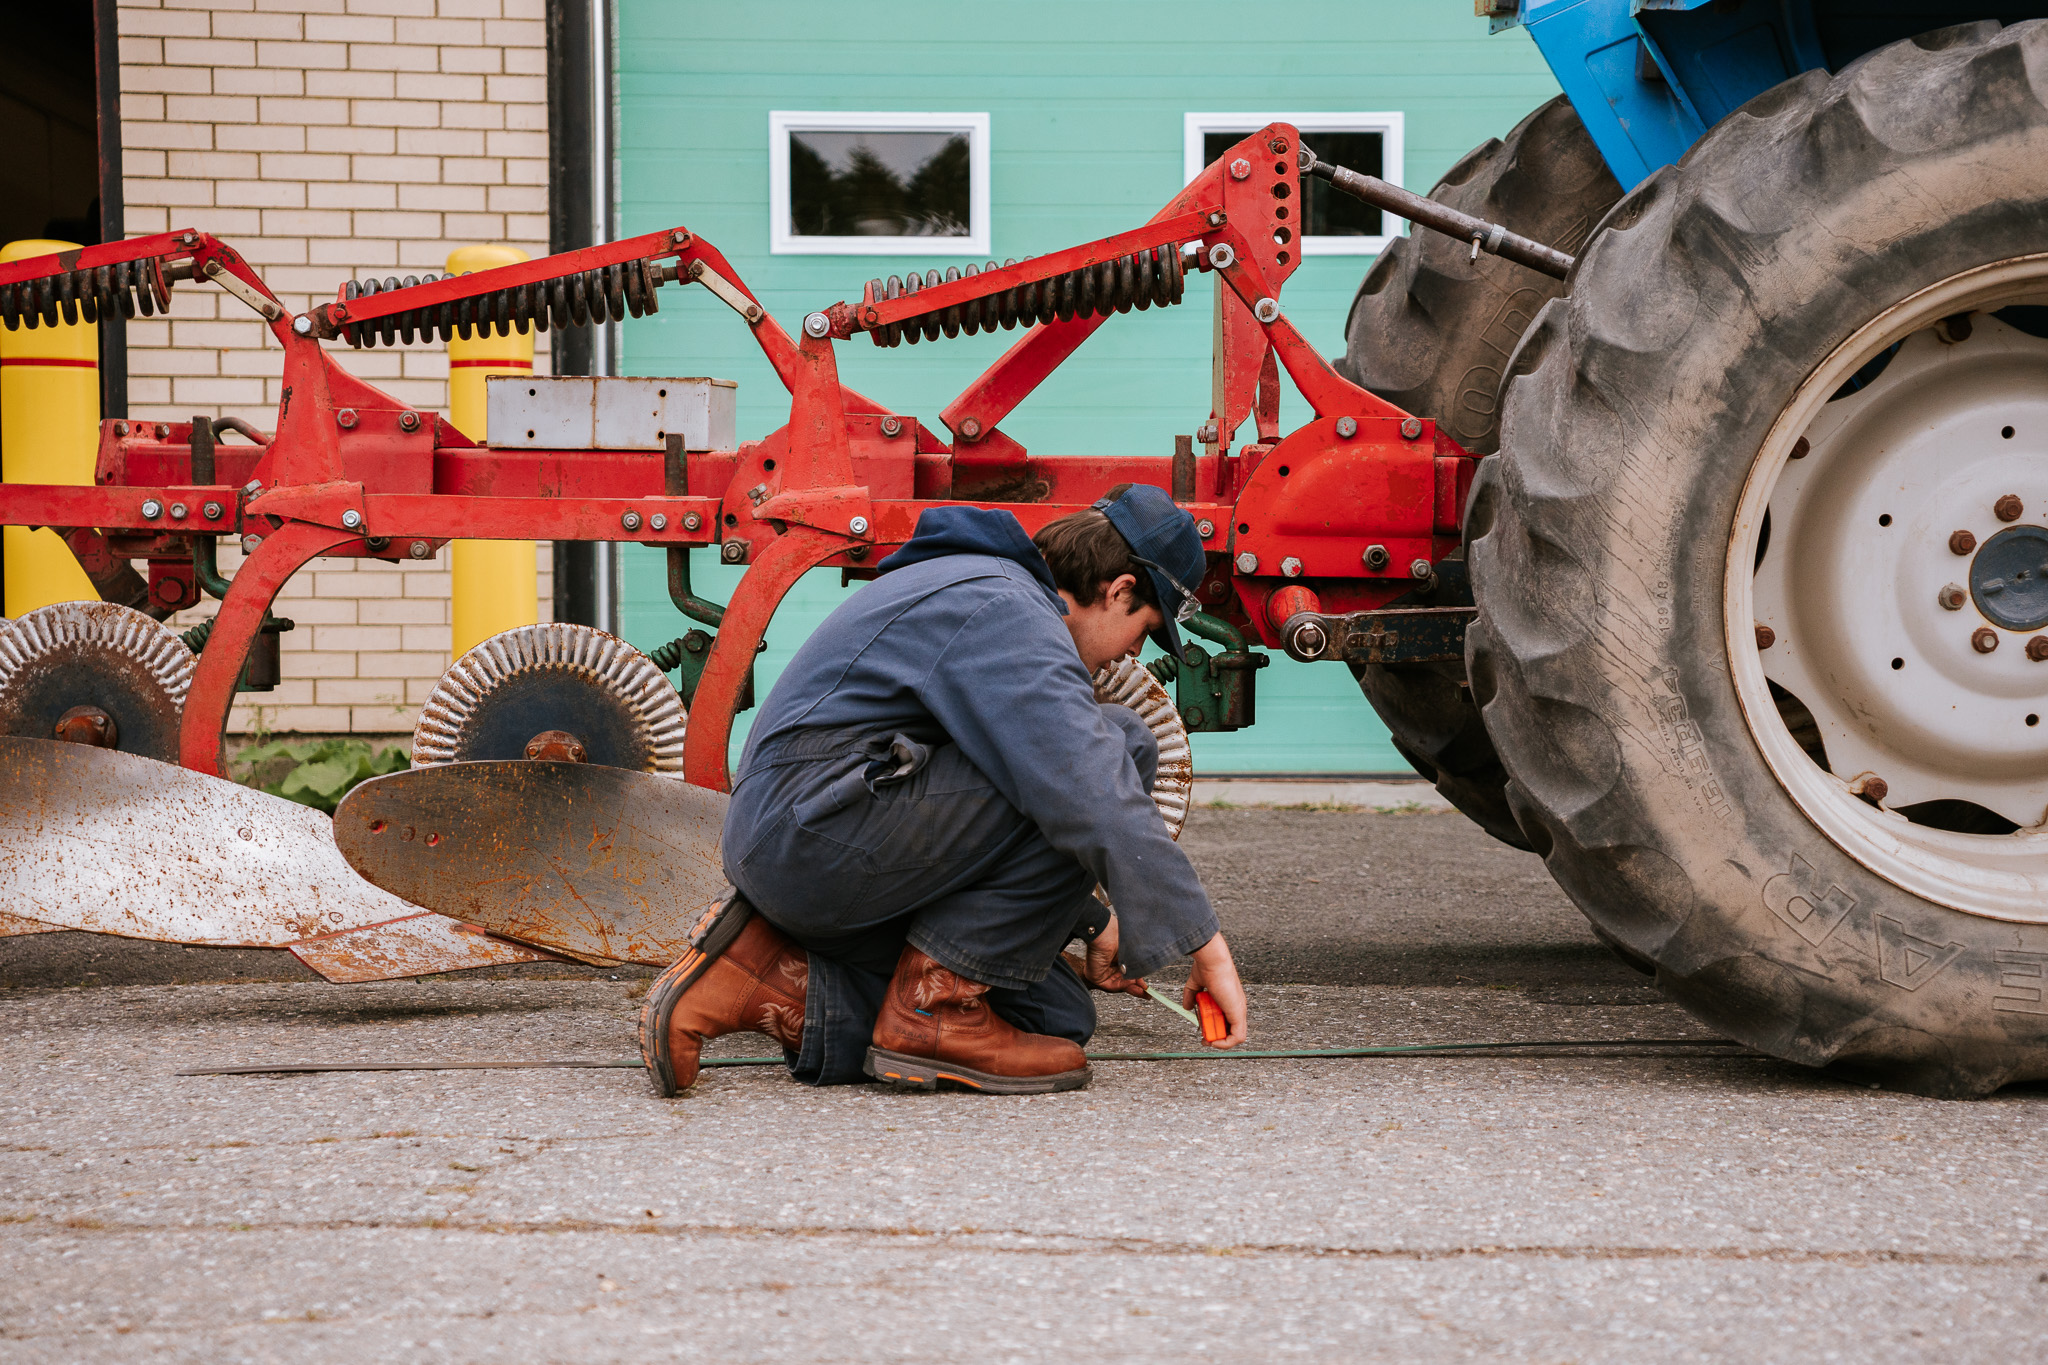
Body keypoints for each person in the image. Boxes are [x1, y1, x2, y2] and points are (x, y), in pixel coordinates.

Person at [639, 482, 1248, 1096]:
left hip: (821, 830)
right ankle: (932, 1013)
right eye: (1140, 634)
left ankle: (770, 980)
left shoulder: (990, 591)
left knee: (1052, 1017)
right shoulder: (1001, 608)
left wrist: (1090, 922)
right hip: (810, 835)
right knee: (1117, 743)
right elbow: (1083, 783)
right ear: (1118, 591)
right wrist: (1204, 945)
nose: (1127, 657)